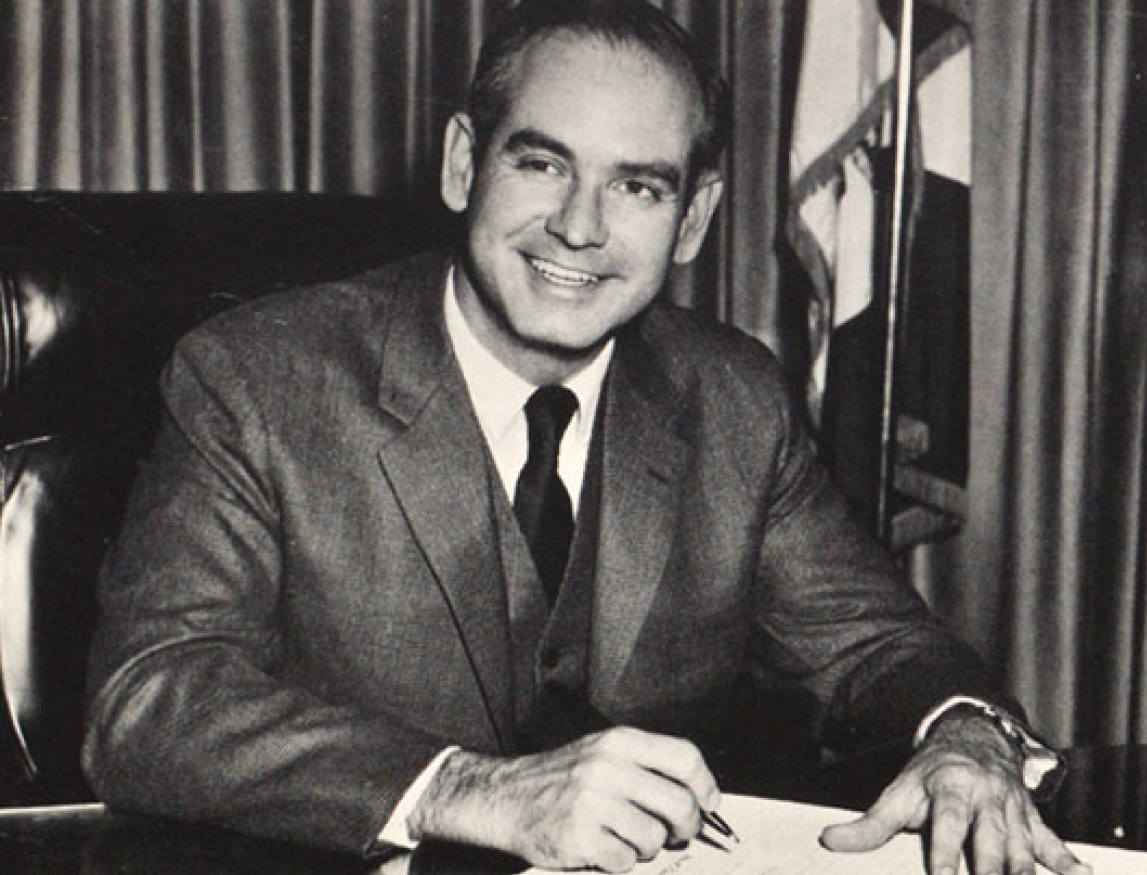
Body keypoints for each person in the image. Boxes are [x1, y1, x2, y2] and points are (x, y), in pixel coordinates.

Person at [83, 3, 1088, 874]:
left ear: (691, 220)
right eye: (541, 162)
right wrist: (463, 789)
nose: (578, 227)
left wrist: (964, 734)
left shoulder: (731, 399)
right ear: (462, 163)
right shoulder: (256, 376)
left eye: (636, 187)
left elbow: (878, 647)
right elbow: (149, 701)